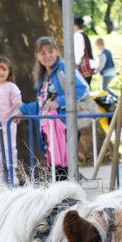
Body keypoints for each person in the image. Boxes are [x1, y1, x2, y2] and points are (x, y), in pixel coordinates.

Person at [21, 36, 88, 180]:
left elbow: (82, 88)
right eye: (43, 53)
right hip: (48, 131)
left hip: (63, 128)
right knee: (56, 170)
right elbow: (42, 104)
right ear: (37, 57)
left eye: (51, 51)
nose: (48, 56)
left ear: (57, 51)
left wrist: (60, 101)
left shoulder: (63, 68)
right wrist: (22, 109)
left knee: (64, 169)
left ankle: (70, 200)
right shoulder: (44, 76)